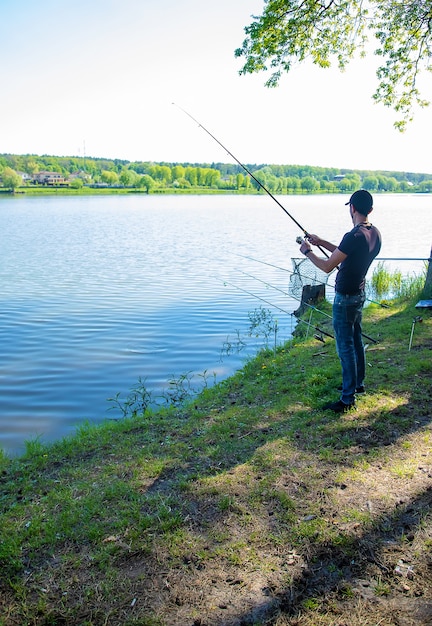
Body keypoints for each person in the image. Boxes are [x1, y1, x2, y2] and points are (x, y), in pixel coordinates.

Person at [298, 189, 382, 413]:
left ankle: (347, 399)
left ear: (352, 208)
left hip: (345, 299)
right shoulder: (373, 233)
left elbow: (327, 266)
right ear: (370, 210)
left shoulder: (353, 235)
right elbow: (345, 253)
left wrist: (307, 251)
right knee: (355, 340)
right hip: (358, 295)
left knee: (345, 347)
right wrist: (320, 242)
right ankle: (358, 384)